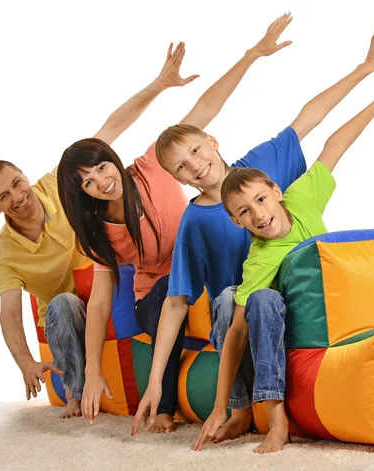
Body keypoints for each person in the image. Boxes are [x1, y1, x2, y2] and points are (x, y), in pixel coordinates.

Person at [131, 19, 374, 451]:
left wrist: (366, 68)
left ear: (212, 141)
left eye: (197, 151)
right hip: (247, 312)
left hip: (306, 294)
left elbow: (313, 123)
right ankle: (244, 407)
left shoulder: (261, 168)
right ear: (177, 180)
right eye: (181, 167)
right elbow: (176, 301)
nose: (196, 166)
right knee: (233, 299)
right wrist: (155, 383)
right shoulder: (196, 221)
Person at [57, 13, 294, 432]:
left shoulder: (153, 166)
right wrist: (93, 369)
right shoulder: (99, 230)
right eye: (88, 183)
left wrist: (252, 55)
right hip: (159, 296)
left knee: (226, 290)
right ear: (83, 194)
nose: (101, 182)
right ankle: (163, 404)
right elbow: (98, 301)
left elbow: (204, 110)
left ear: (112, 159)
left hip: (198, 283)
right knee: (170, 292)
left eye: (101, 169)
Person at [0, 41, 198, 419]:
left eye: (16, 183)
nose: (17, 196)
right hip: (71, 310)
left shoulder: (65, 188)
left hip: (107, 281)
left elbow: (111, 128)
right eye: (3, 196)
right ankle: (79, 397)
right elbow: (9, 315)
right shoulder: (6, 254)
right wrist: (26, 362)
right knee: (61, 305)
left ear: (24, 176)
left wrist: (159, 85)